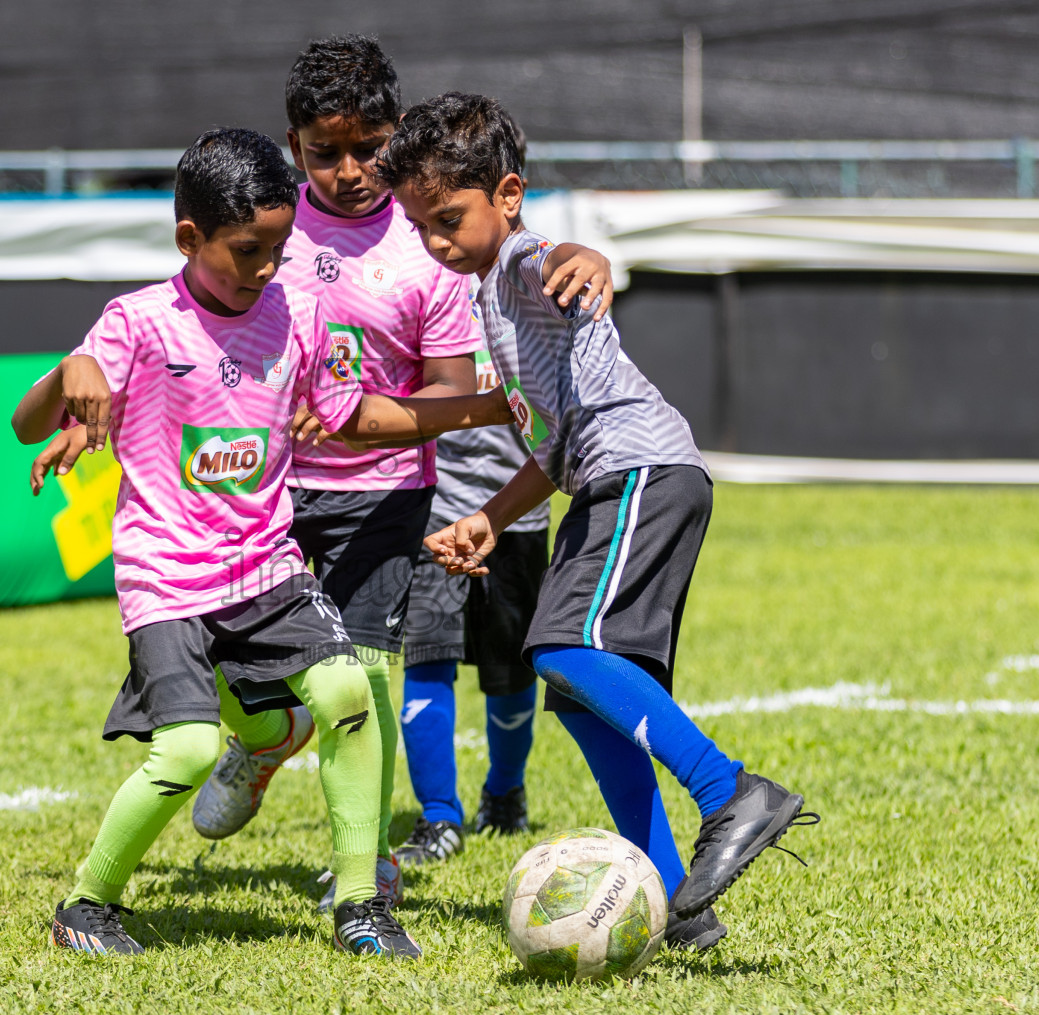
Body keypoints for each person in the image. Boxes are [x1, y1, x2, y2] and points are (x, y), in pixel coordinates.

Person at [13, 128, 507, 959]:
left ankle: (362, 904)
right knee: (190, 747)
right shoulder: (136, 323)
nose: (269, 266)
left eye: (280, 246)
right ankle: (85, 907)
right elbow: (28, 425)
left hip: (265, 569)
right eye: (248, 250)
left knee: (349, 692)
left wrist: (493, 405)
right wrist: (70, 372)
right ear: (189, 239)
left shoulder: (299, 313)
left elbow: (362, 419)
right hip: (168, 578)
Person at [185, 36, 616, 911]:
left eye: (368, 147)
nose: (350, 170)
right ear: (292, 143)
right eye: (324, 152)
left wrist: (365, 422)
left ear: (395, 132)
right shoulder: (265, 224)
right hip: (257, 487)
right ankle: (264, 737)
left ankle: (368, 858)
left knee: (369, 671)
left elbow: (456, 391)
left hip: (384, 491)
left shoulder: (429, 245)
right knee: (206, 651)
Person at [378, 93, 819, 946]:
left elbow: (563, 255)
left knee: (560, 647)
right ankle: (676, 913)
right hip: (607, 479)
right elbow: (551, 444)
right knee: (580, 697)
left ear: (507, 194)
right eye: (420, 226)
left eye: (448, 218)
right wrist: (490, 518)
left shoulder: (517, 263)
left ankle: (730, 792)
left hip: (640, 474)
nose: (436, 240)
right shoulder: (485, 296)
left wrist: (589, 258)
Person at [395, 324, 549, 864]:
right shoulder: (423, 295)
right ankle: (439, 816)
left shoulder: (534, 294)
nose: (442, 240)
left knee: (510, 673)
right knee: (427, 660)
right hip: (434, 513)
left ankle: (505, 792)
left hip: (520, 518)